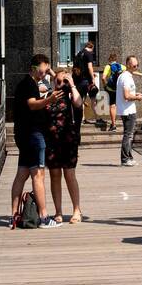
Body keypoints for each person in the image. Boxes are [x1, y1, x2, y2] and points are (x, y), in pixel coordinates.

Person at [10, 54, 62, 231]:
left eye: (46, 70)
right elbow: (32, 104)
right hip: (34, 134)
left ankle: (14, 215)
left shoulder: (26, 84)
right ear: (34, 67)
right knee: (38, 175)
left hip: (23, 134)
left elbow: (31, 100)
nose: (44, 73)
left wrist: (46, 91)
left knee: (22, 174)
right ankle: (44, 217)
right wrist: (50, 100)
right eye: (42, 70)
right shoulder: (30, 84)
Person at [45, 66, 83, 223]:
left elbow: (79, 103)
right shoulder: (49, 95)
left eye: (63, 81)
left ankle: (76, 210)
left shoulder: (70, 94)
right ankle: (58, 211)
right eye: (58, 81)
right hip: (52, 141)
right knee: (54, 175)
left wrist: (72, 84)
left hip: (68, 140)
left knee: (69, 174)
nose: (60, 83)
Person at [116, 55, 142, 166]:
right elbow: (126, 96)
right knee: (128, 135)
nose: (136, 67)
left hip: (126, 109)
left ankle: (128, 157)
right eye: (134, 65)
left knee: (129, 134)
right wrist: (137, 98)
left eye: (137, 65)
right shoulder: (126, 77)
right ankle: (125, 159)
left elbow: (126, 94)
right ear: (128, 65)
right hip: (128, 110)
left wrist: (135, 94)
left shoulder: (125, 76)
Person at [72, 39, 97, 134]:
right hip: (86, 80)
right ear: (92, 47)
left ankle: (82, 118)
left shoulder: (79, 53)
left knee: (81, 98)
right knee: (93, 97)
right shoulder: (88, 54)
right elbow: (90, 67)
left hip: (78, 80)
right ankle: (97, 118)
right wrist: (93, 78)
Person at [102, 51, 122, 129]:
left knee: (112, 106)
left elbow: (103, 78)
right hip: (119, 89)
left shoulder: (108, 66)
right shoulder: (121, 66)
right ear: (116, 59)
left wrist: (105, 86)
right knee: (120, 105)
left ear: (109, 59)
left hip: (111, 89)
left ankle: (113, 124)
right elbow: (131, 71)